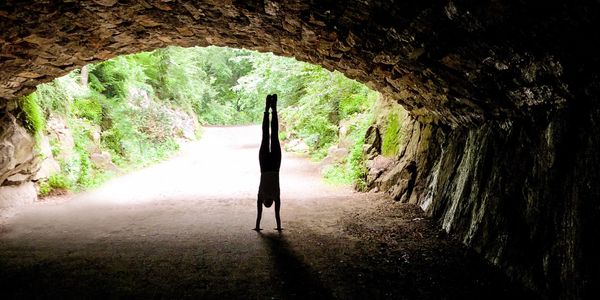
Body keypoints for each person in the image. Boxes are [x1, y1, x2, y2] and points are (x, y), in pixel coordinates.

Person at [255, 94, 282, 231]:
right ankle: (268, 109)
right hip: (265, 165)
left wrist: (278, 227)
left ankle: (273, 109)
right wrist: (257, 226)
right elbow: (260, 212)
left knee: (274, 136)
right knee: (266, 136)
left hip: (275, 166)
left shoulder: (276, 196)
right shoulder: (261, 196)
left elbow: (277, 213)